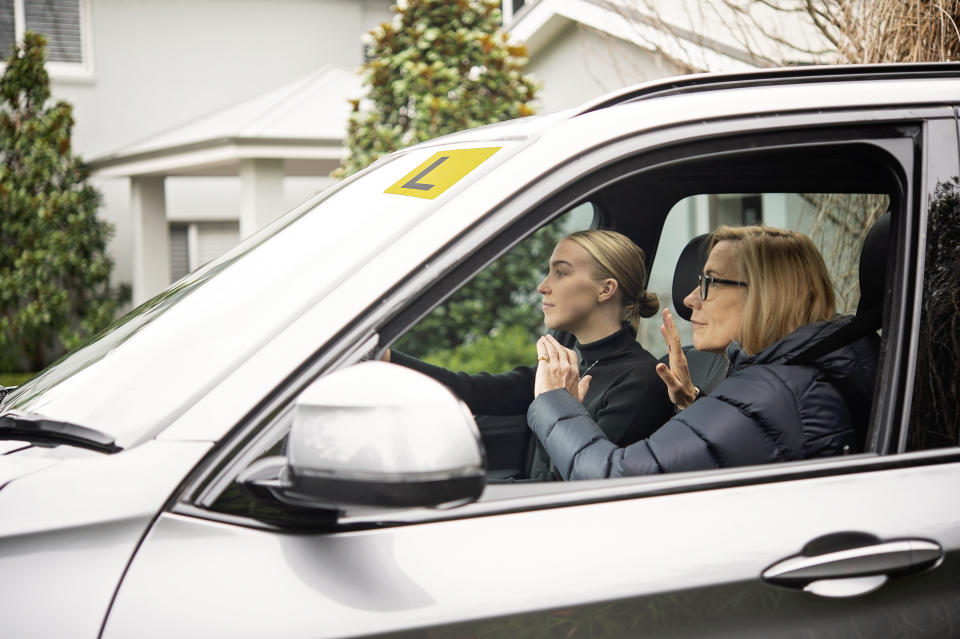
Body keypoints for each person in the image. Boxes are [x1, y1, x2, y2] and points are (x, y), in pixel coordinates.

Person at [527, 225, 879, 480]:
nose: (690, 298)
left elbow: (615, 477)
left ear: (766, 293)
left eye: (710, 282)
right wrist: (692, 406)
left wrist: (555, 400)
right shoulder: (791, 376)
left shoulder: (773, 391)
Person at [383, 229, 675, 458]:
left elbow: (578, 485)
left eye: (560, 272)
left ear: (606, 289)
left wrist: (561, 410)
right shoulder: (569, 365)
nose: (542, 286)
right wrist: (384, 359)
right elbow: (473, 390)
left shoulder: (640, 383)